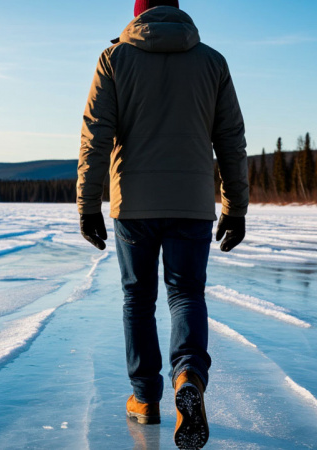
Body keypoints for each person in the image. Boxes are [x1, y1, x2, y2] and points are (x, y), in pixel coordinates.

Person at [77, 0, 248, 448]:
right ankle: (188, 374)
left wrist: (88, 204)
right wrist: (236, 206)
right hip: (192, 203)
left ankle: (145, 399)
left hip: (134, 202)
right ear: (177, 10)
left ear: (137, 14)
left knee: (138, 298)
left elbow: (96, 133)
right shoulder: (211, 61)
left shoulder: (115, 58)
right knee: (186, 293)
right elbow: (230, 138)